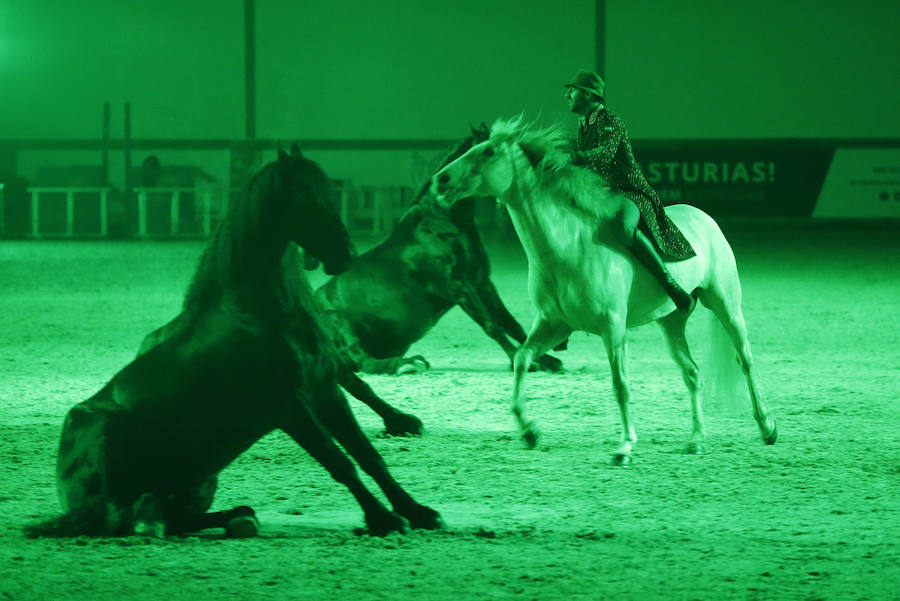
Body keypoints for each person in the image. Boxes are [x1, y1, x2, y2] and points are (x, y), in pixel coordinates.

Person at [564, 69, 696, 313]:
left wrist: (572, 157)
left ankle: (671, 285)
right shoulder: (582, 124)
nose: (568, 95)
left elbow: (602, 157)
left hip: (626, 191)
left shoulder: (609, 120)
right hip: (601, 194)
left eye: (573, 90)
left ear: (588, 94)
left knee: (622, 226)